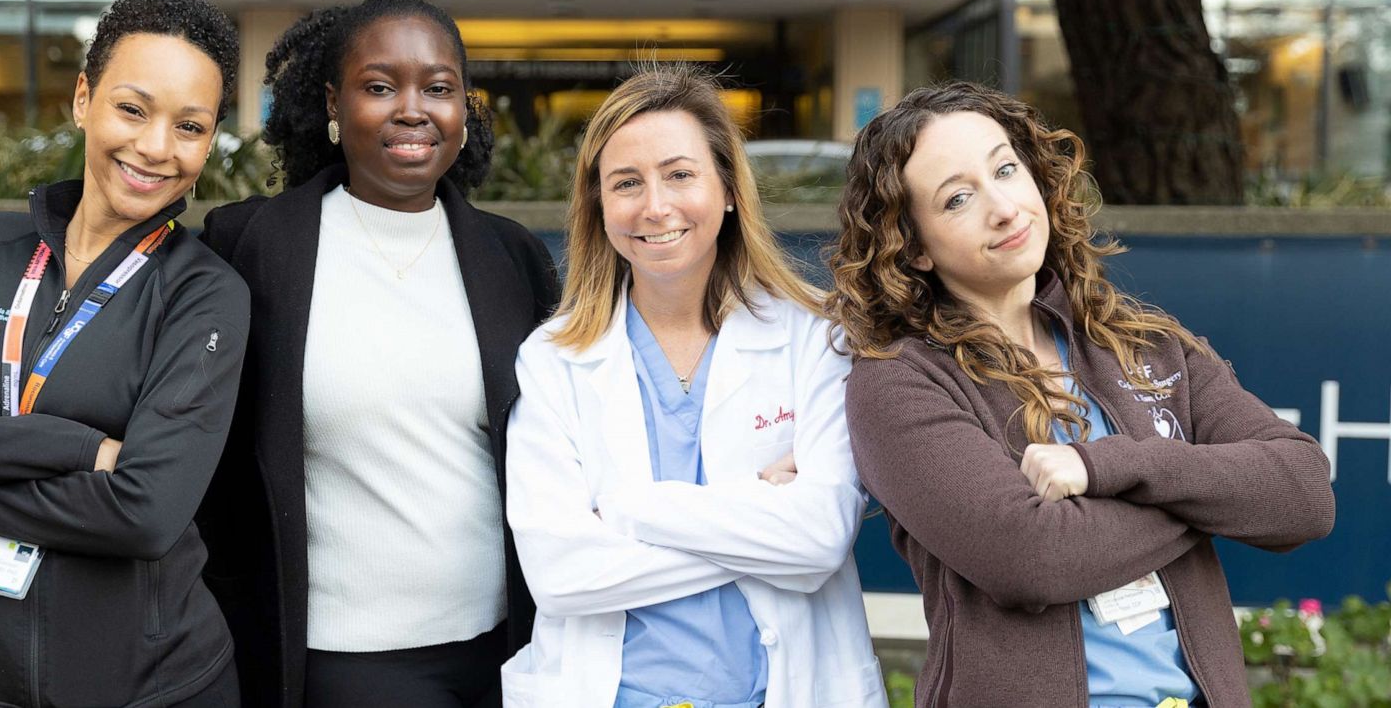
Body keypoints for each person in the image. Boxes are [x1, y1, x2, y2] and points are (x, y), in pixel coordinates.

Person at [0, 0, 559, 707]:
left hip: (490, 647)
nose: (411, 108)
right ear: (334, 107)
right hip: (319, 652)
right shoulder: (253, 246)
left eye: (439, 88)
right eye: (378, 86)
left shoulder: (512, 259)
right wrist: (76, 447)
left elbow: (149, 505)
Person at [827, 81, 1335, 707]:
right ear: (914, 247)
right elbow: (1033, 557)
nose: (1005, 208)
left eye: (1006, 170)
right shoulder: (899, 381)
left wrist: (1115, 465)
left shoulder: (1145, 343)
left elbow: (1306, 495)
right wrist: (1208, 499)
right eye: (958, 199)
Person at [0, 0, 251, 708]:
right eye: (132, 108)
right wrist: (80, 448)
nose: (156, 147)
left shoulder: (204, 294)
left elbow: (146, 511)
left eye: (189, 126)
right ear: (83, 98)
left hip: (155, 690)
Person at [502, 66, 888, 708]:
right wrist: (759, 525)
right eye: (627, 183)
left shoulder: (814, 338)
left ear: (730, 189)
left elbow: (819, 539)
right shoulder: (553, 359)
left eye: (680, 174)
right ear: (599, 207)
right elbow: (560, 575)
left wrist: (630, 512)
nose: (656, 206)